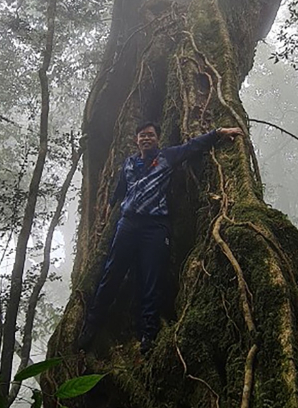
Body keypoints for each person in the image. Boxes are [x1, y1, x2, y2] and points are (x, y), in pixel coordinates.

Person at [82, 121, 243, 354]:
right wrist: (108, 207)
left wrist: (218, 133)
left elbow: (193, 146)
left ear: (157, 139)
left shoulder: (167, 156)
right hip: (127, 224)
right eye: (142, 136)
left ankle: (148, 334)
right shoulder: (128, 163)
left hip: (155, 227)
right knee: (112, 273)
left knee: (151, 279)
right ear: (136, 141)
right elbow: (119, 190)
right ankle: (92, 326)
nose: (146, 139)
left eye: (150, 135)